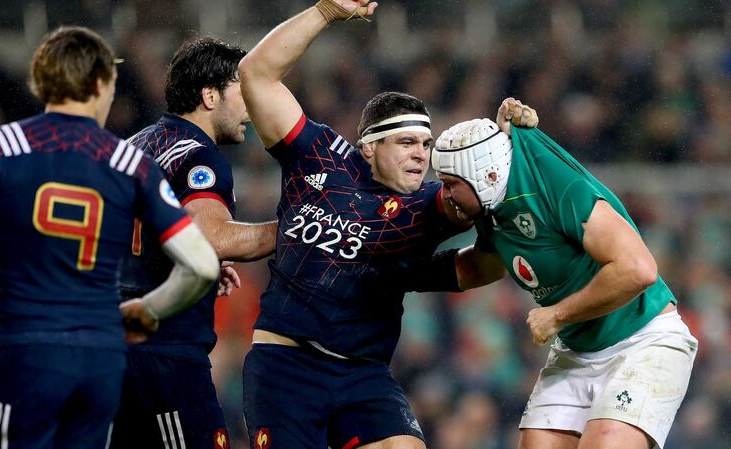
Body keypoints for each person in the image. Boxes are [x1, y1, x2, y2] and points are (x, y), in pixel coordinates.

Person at [237, 2, 538, 448]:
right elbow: (256, 74)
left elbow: (484, 217)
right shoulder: (318, 156)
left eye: (426, 144)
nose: (420, 154)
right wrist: (325, 11)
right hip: (286, 365)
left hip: (363, 374)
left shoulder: (427, 205)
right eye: (406, 142)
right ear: (369, 148)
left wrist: (502, 148)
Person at [0, 26, 220, 449]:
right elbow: (202, 265)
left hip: (23, 351)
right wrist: (148, 308)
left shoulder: (0, 146)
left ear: (39, 81)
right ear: (101, 84)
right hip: (98, 360)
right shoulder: (130, 162)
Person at [431, 107, 698, 449]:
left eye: (451, 184)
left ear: (488, 175)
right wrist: (403, 273)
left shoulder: (558, 187)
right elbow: (487, 266)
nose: (445, 194)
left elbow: (638, 269)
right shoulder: (492, 209)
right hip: (577, 350)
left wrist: (557, 315)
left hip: (643, 340)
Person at [110, 37, 277, 449]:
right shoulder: (198, 156)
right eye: (240, 90)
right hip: (165, 354)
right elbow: (212, 236)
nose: (250, 107)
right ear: (209, 95)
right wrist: (297, 229)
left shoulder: (132, 147)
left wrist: (191, 264)